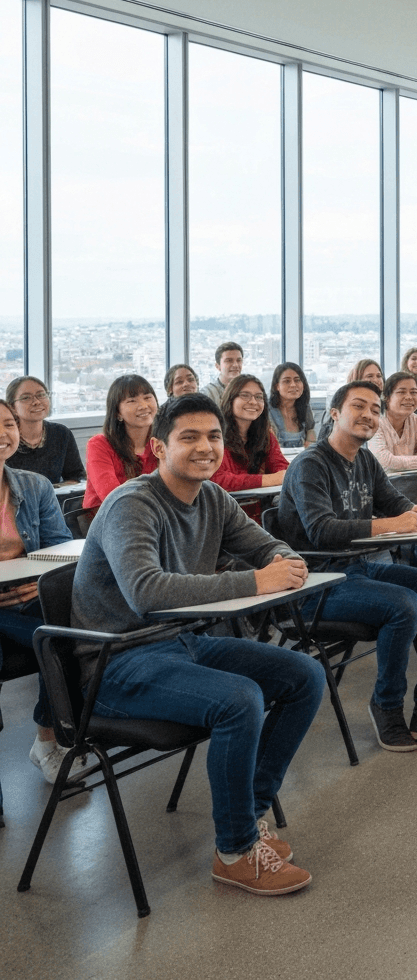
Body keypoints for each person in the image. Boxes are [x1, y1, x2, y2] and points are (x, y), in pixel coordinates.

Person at [71, 392, 323, 896]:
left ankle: (246, 822)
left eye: (213, 436)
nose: (205, 447)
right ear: (160, 449)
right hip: (115, 663)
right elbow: (147, 591)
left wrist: (285, 562)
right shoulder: (132, 504)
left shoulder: (211, 497)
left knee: (305, 676)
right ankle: (234, 851)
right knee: (239, 700)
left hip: (179, 643)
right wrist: (257, 582)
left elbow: (265, 545)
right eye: (189, 437)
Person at [277, 379, 417, 751]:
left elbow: (393, 503)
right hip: (314, 585)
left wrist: (416, 510)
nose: (369, 415)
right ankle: (385, 706)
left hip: (358, 569)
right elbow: (321, 531)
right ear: (334, 413)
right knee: (404, 604)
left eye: (374, 409)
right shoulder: (311, 465)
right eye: (358, 406)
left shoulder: (365, 460)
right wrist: (394, 523)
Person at [0, 397, 82, 784]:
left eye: (8, 424)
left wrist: (34, 579)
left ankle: (48, 739)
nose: (3, 434)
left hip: (29, 598)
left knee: (66, 634)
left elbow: (61, 551)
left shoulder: (33, 486)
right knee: (50, 639)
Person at [212, 375, 288, 521]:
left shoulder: (265, 435)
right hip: (224, 518)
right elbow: (219, 479)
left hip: (259, 516)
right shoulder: (215, 435)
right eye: (245, 395)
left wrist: (279, 475)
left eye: (259, 397)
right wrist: (269, 479)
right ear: (230, 399)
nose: (253, 402)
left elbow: (281, 467)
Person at [83, 375, 159, 512]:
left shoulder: (162, 442)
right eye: (132, 401)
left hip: (154, 518)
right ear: (118, 413)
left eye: (147, 397)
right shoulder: (99, 444)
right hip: (107, 519)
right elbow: (113, 497)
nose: (143, 406)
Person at [5, 376, 85, 485]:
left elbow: (76, 477)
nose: (36, 402)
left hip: (55, 498)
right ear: (12, 406)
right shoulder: (6, 438)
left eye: (41, 395)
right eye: (26, 398)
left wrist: (48, 494)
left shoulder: (61, 433)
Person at [367, 371, 417, 472]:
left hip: (411, 483)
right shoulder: (374, 422)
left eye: (414, 392)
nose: (409, 397)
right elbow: (385, 462)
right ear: (387, 397)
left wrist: (399, 462)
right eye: (401, 392)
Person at [268, 362, 316, 447]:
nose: (293, 385)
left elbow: (311, 430)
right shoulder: (266, 410)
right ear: (277, 386)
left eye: (297, 380)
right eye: (287, 381)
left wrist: (310, 442)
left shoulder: (305, 407)